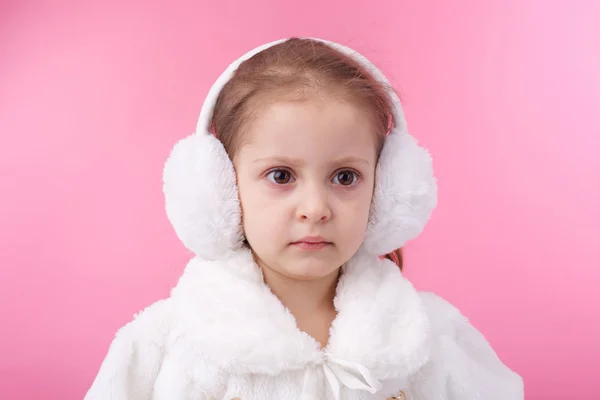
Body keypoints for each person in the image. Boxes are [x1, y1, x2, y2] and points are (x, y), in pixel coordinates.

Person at [84, 37, 523, 399]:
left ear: (388, 189)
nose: (315, 208)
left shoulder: (429, 337)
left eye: (345, 176)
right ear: (218, 188)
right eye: (281, 175)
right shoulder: (167, 344)